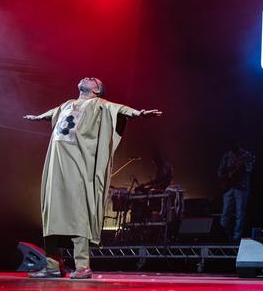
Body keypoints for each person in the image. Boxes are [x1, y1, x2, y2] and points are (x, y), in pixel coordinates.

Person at [23, 77, 162, 279]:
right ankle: (53, 266)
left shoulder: (100, 105)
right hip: (56, 167)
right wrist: (37, 118)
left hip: (78, 166)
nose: (88, 77)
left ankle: (82, 267)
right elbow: (52, 114)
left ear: (97, 90)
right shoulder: (67, 104)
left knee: (77, 213)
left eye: (93, 79)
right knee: (52, 213)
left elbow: (121, 109)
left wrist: (138, 113)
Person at [217, 139, 254, 242]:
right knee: (225, 213)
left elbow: (249, 170)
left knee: (239, 213)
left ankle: (236, 238)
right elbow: (219, 173)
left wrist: (240, 168)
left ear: (238, 144)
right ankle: (224, 236)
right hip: (228, 188)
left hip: (241, 187)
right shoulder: (226, 155)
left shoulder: (246, 155)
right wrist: (229, 173)